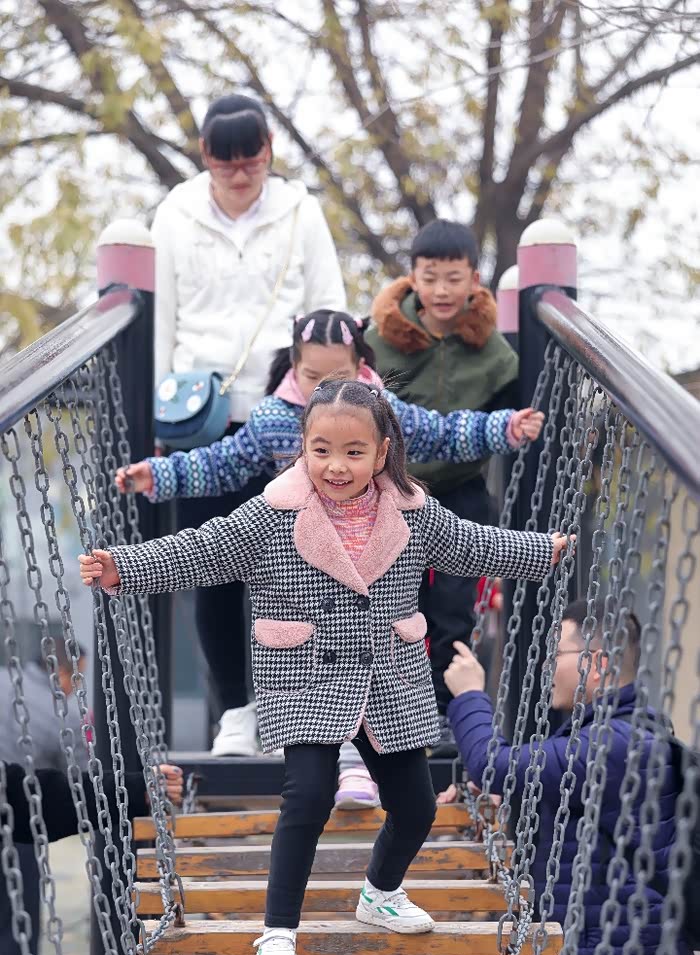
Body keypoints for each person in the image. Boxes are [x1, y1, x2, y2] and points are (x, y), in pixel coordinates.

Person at [80, 377, 567, 955]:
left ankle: (379, 893)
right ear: (303, 449)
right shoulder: (271, 515)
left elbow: (473, 546)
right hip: (305, 673)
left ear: (382, 452)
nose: (336, 466)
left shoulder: (413, 511)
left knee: (414, 807)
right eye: (321, 450)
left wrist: (543, 550)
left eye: (353, 452)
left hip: (390, 676)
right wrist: (123, 567)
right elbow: (199, 551)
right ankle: (278, 933)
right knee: (307, 795)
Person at [117, 309, 544, 760]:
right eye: (310, 375)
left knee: (377, 630)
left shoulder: (380, 413)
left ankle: (375, 733)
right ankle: (257, 716)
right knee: (279, 630)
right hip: (301, 561)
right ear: (293, 368)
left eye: (336, 375)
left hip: (364, 552)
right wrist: (159, 475)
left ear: (361, 367)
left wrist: (504, 427)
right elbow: (223, 462)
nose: (321, 386)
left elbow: (441, 434)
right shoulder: (275, 417)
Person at [152, 92, 346, 739]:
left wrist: (331, 412)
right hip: (200, 418)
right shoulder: (176, 215)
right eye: (224, 160)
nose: (239, 173)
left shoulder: (300, 211)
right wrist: (157, 418)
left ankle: (302, 707)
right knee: (212, 567)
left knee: (299, 563)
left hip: (285, 414)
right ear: (204, 156)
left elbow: (328, 309)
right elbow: (162, 318)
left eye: (251, 157)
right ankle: (236, 709)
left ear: (269, 150)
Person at [443, 599, 696, 955]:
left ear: (595, 664)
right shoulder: (610, 737)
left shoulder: (616, 744)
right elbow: (530, 782)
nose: (545, 667)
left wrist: (468, 696)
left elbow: (494, 764)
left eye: (555, 655)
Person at [365, 219, 520, 756]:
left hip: (459, 489)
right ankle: (387, 713)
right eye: (430, 278)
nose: (442, 291)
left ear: (475, 279)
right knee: (392, 601)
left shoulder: (492, 350)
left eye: (454, 278)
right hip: (391, 487)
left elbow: (511, 413)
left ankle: (445, 709)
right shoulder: (379, 338)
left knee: (453, 607)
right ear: (412, 278)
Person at [0, 641, 183, 955]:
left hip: (17, 813)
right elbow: (66, 766)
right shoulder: (43, 704)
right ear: (61, 670)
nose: (76, 687)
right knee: (17, 922)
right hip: (16, 827)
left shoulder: (9, 680)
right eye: (77, 678)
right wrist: (131, 786)